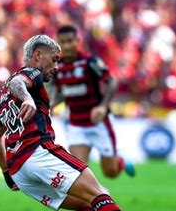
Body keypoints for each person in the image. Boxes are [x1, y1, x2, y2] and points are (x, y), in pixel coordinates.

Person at [0, 34, 172, 211]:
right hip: (39, 152)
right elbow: (18, 84)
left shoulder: (2, 96)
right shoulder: (30, 74)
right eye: (53, 60)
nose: (56, 67)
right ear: (38, 55)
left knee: (91, 204)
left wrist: (6, 173)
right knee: (100, 194)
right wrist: (29, 98)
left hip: (20, 171)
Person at [51, 25, 135, 179]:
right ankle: (93, 200)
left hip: (99, 123)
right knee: (78, 171)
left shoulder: (90, 62)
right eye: (63, 42)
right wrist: (51, 104)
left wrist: (103, 106)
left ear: (78, 41)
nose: (67, 45)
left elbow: (111, 82)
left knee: (110, 173)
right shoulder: (57, 67)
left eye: (70, 41)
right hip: (76, 125)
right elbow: (62, 92)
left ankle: (120, 162)